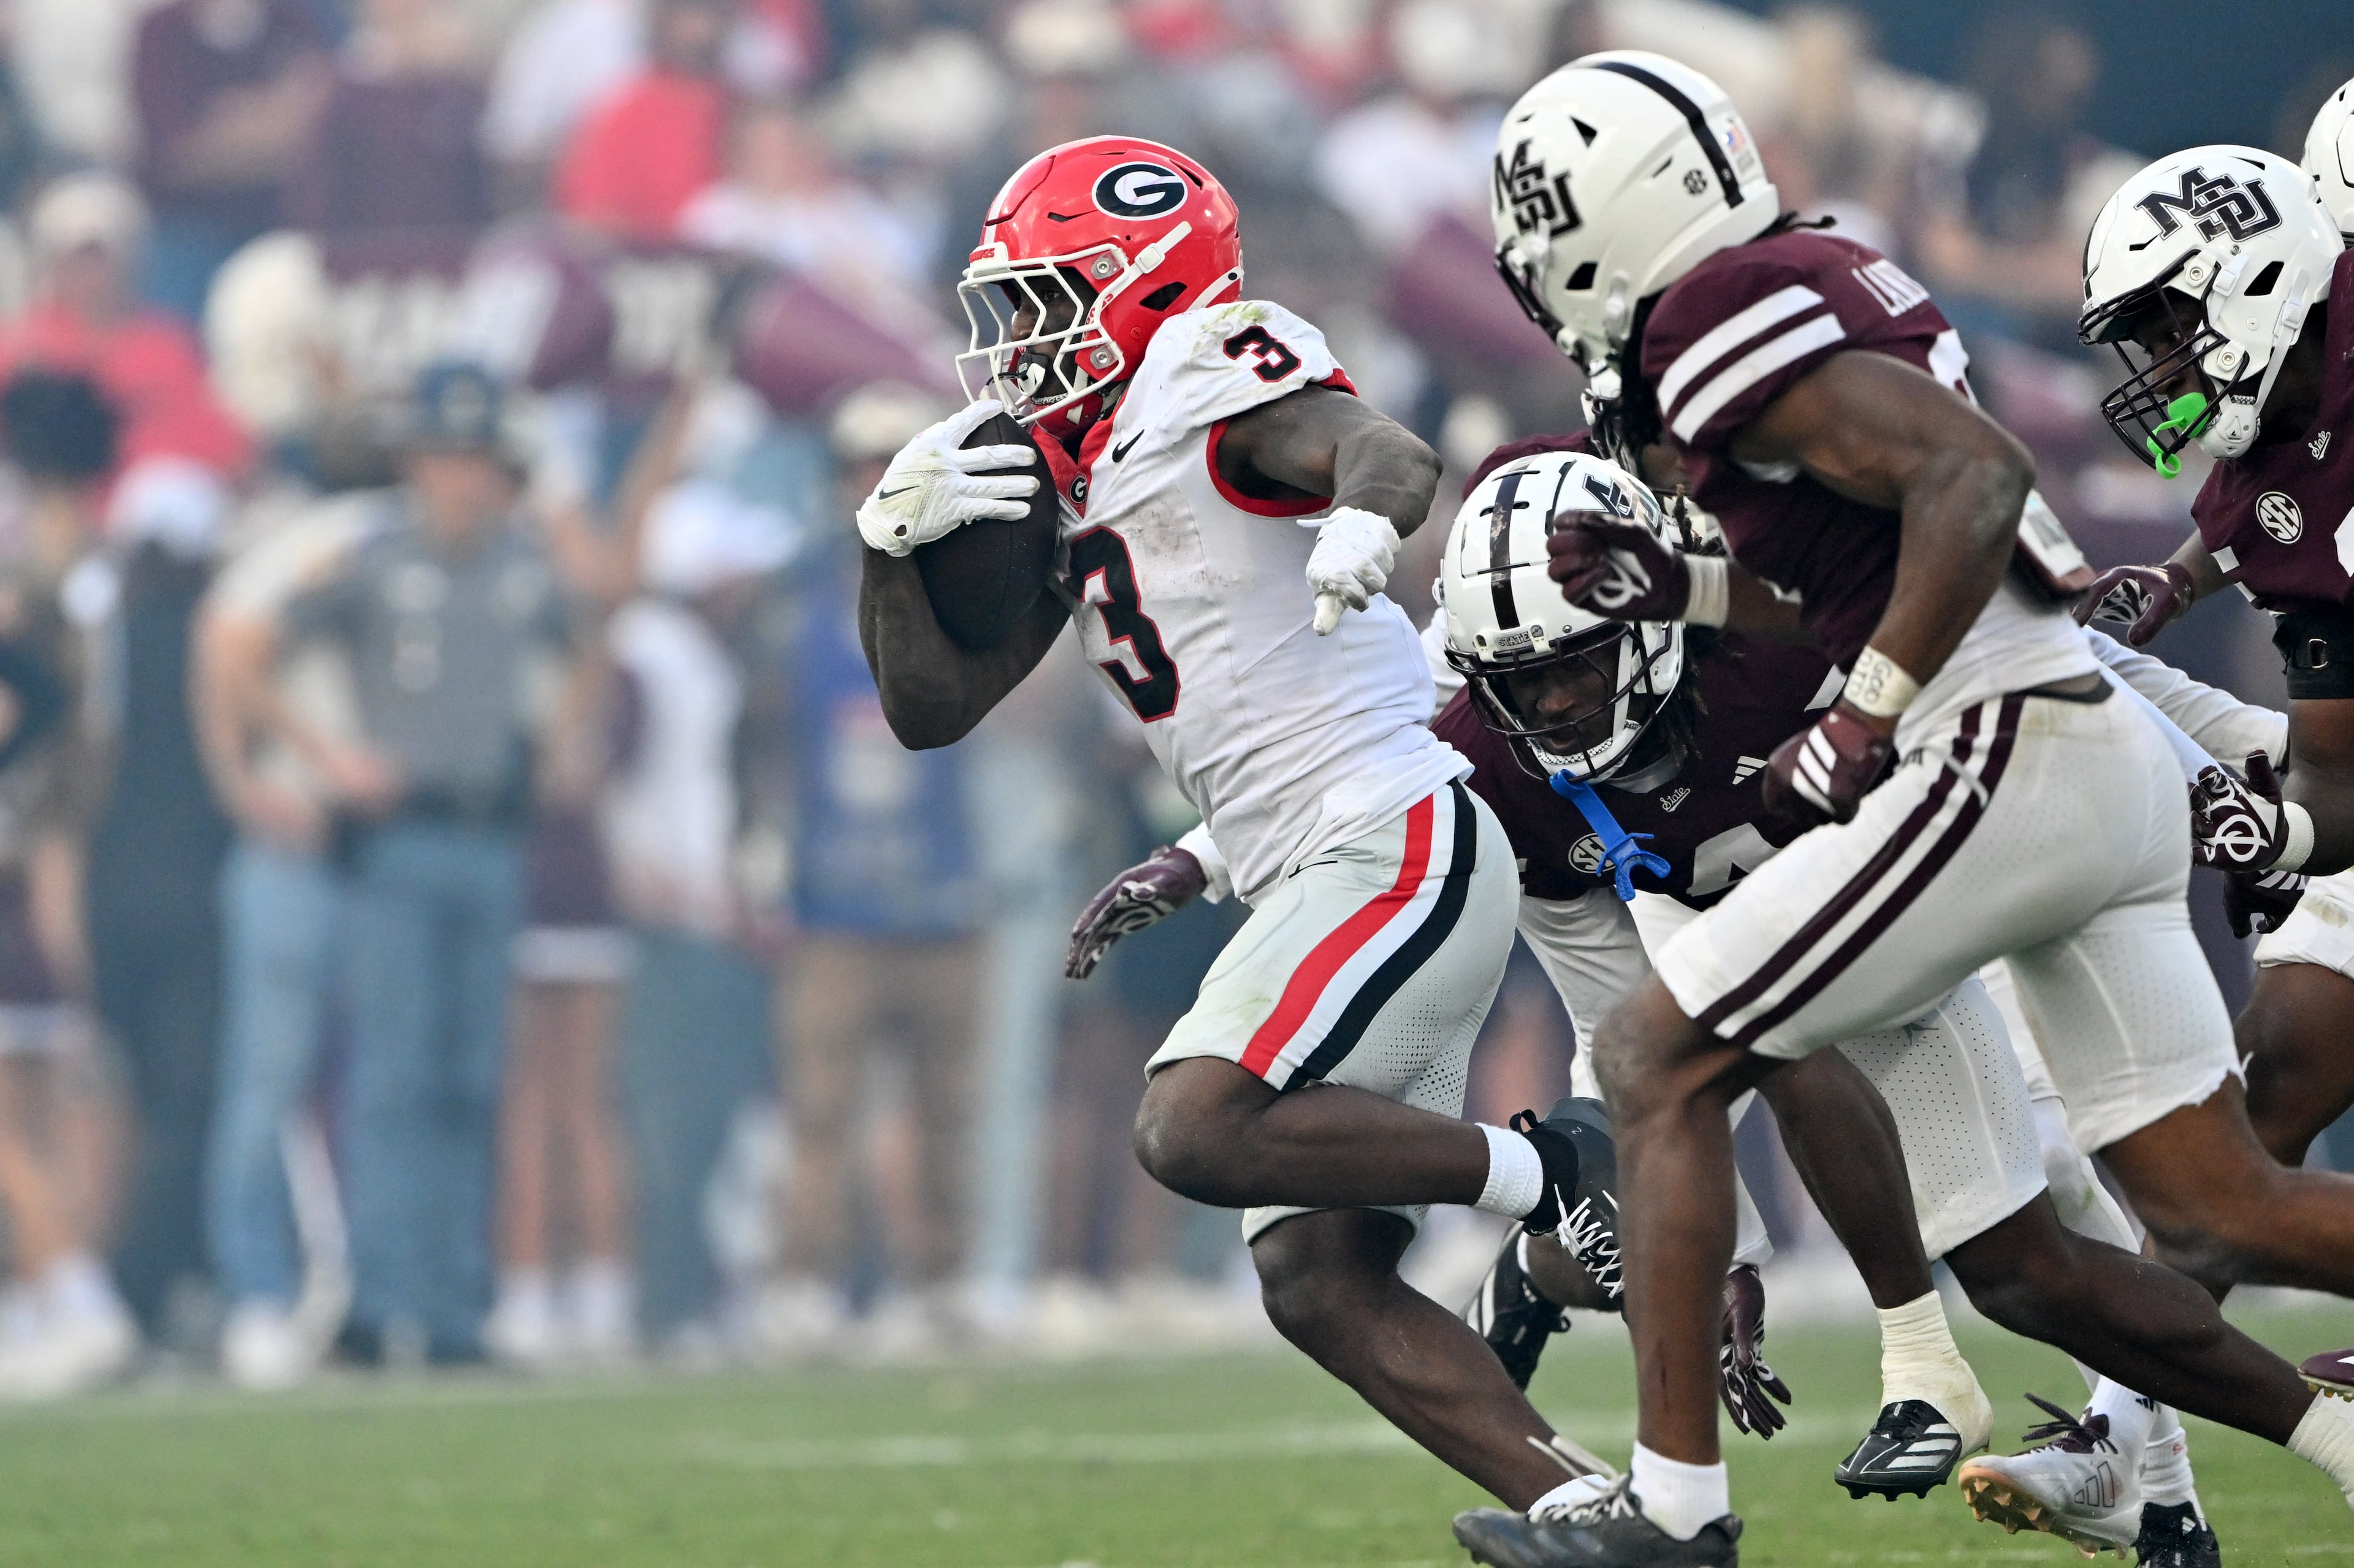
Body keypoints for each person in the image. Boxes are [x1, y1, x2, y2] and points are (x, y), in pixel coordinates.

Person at [1472, 52, 2354, 1564]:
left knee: (1652, 1054)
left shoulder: (1702, 315)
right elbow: (1856, 546)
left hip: (1996, 740)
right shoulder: (1810, 269)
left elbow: (1973, 478)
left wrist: (1866, 716)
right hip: (2081, 748)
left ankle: (1672, 1513)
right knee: (2190, 1219)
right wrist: (1677, 585)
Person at [857, 134, 1618, 1512]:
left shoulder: (1216, 368)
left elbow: (1377, 450)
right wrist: (889, 553)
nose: (1021, 339)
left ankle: (1559, 1164)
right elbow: (934, 708)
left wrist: (1361, 528)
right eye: (1012, 306)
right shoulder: (1071, 465)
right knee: (1316, 1280)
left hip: (1390, 834)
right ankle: (1593, 1509)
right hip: (1312, 865)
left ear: (1147, 285)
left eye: (1046, 297)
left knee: (1191, 1125)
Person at [268, 362, 571, 1364]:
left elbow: (598, 627)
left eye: (480, 458)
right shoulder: (363, 558)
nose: (464, 478)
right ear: (415, 463)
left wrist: (566, 738)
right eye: (448, 456)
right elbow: (246, 645)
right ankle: (380, 1297)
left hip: (490, 835)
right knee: (393, 1077)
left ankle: (452, 1308)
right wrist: (323, 761)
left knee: (470, 1079)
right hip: (397, 842)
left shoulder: (526, 567)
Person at [191, 481, 384, 1390]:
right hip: (302, 833)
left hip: (390, 844)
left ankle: (361, 1294)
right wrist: (247, 777)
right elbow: (229, 642)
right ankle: (260, 1291)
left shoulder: (420, 537)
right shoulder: (343, 529)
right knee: (271, 1075)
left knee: (384, 1083)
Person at [0, 371, 139, 1399]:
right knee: (35, 1106)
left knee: (13, 1121)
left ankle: (76, 1291)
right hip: (38, 871)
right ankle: (40, 1296)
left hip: (23, 864)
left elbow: (38, 699)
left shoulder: (54, 601)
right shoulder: (84, 581)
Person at [83, 459, 237, 1347]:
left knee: (127, 1097)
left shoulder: (104, 635)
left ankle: (117, 1281)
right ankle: (154, 1284)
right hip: (196, 897)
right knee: (186, 1101)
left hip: (111, 898)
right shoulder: (214, 638)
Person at [0, 174, 253, 482]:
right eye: (76, 260)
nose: (89, 276)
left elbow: (220, 443)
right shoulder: (20, 348)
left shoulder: (167, 346)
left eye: (99, 260)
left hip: (142, 502)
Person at [129, 0, 332, 322]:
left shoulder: (294, 22)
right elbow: (173, 149)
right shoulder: (160, 33)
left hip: (277, 223)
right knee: (173, 335)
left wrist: (227, 124)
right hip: (190, 225)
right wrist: (269, 117)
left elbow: (315, 126)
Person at [554, 0, 731, 242]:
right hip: (646, 262)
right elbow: (589, 211)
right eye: (687, 19)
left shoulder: (741, 108)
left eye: (707, 17)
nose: (698, 32)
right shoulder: (627, 111)